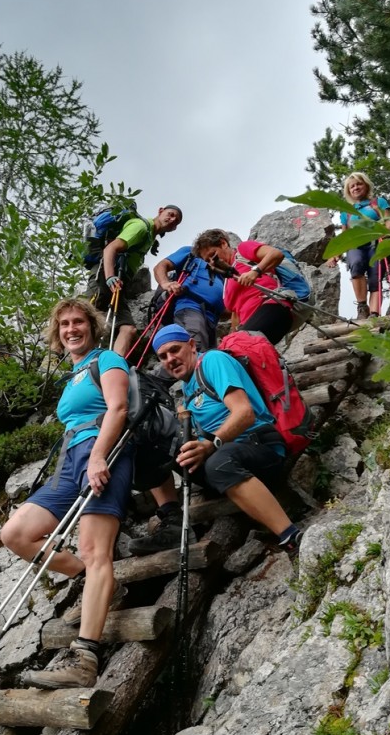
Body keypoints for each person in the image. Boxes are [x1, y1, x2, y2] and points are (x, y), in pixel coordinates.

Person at [0, 298, 132, 689]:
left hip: (104, 454)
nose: (71, 329)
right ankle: (85, 576)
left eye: (78, 322)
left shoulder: (107, 360)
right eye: (64, 325)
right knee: (15, 534)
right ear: (57, 334)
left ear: (91, 326)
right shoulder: (73, 374)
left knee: (96, 550)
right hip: (68, 463)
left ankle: (85, 657)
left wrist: (97, 456)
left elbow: (119, 408)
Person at [128, 324, 302, 557]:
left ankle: (290, 536)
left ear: (191, 345)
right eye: (163, 356)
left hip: (260, 446)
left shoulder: (213, 361)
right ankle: (172, 521)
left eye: (175, 350)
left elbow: (244, 412)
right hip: (223, 455)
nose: (170, 359)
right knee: (157, 447)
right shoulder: (188, 390)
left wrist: (210, 444)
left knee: (217, 462)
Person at [86, 204, 183, 357]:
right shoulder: (141, 227)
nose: (172, 220)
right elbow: (110, 249)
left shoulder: (150, 237)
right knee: (84, 319)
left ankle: (115, 366)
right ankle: (56, 354)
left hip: (119, 284)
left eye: (176, 221)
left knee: (128, 329)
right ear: (160, 211)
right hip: (105, 276)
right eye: (170, 214)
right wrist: (110, 277)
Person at [193, 229, 294, 345]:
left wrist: (255, 272)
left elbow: (276, 254)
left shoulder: (242, 251)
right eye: (208, 261)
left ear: (223, 244)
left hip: (273, 306)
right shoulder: (227, 281)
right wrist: (232, 334)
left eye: (213, 254)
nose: (212, 261)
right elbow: (236, 313)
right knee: (232, 351)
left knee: (243, 344)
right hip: (249, 323)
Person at [328, 172, 390, 320]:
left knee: (375, 277)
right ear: (348, 191)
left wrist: (385, 232)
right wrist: (335, 255)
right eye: (352, 186)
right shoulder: (346, 212)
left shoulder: (378, 202)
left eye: (359, 184)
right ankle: (362, 307)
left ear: (366, 185)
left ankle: (374, 314)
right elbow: (345, 236)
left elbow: (389, 222)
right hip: (356, 245)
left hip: (377, 243)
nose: (355, 188)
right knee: (356, 266)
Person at [152, 245, 225, 351]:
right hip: (191, 307)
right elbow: (161, 266)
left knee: (206, 357)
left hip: (211, 319)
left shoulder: (222, 272)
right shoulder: (192, 252)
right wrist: (166, 283)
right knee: (195, 349)